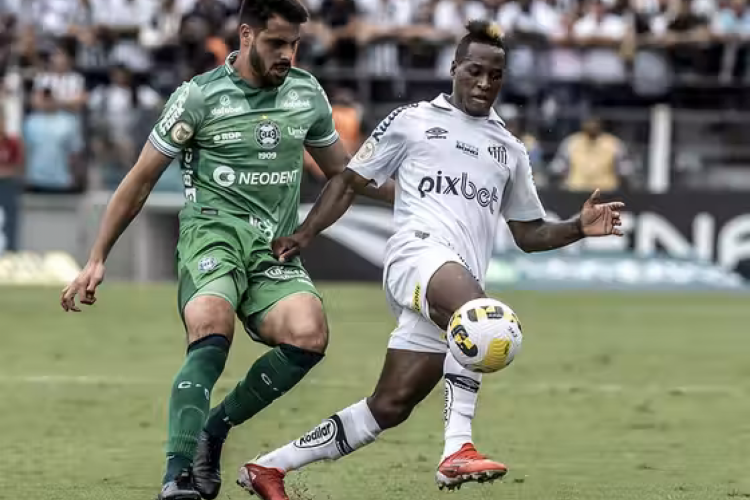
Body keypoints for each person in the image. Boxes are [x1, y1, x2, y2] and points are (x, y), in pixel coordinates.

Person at [237, 20, 624, 499]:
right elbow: (350, 180)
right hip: (415, 256)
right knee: (484, 321)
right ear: (454, 68)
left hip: (455, 280)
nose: (484, 83)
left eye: (495, 75)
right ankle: (456, 450)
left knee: (390, 406)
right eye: (475, 71)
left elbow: (529, 233)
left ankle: (268, 467)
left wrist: (578, 228)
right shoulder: (414, 119)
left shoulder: (510, 150)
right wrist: (306, 232)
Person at [59, 1, 393, 499]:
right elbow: (140, 180)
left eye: (294, 44)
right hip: (210, 240)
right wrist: (97, 257)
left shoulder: (306, 93)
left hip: (272, 251)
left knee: (309, 334)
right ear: (245, 35)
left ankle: (213, 432)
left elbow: (345, 175)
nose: (287, 54)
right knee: (213, 325)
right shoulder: (198, 97)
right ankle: (177, 475)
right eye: (276, 43)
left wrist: (420, 190)